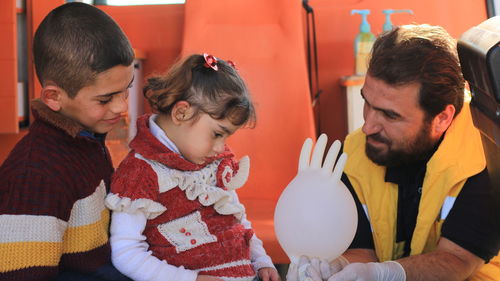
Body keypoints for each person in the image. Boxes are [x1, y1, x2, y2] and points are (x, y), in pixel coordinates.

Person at [287, 24, 500, 281]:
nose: (367, 126)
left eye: (390, 115)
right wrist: (336, 267)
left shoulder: (486, 159)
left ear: (442, 118)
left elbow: (457, 261)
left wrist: (384, 273)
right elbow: (361, 251)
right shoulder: (354, 155)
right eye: (367, 102)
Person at [105, 53, 281, 281]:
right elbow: (126, 253)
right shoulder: (140, 174)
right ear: (182, 112)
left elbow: (237, 220)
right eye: (217, 134)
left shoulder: (214, 163)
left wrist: (261, 262)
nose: (220, 148)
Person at [0, 3, 135, 281]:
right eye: (105, 99)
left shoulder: (85, 141)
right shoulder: (35, 174)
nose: (121, 106)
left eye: (126, 90)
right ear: (53, 97)